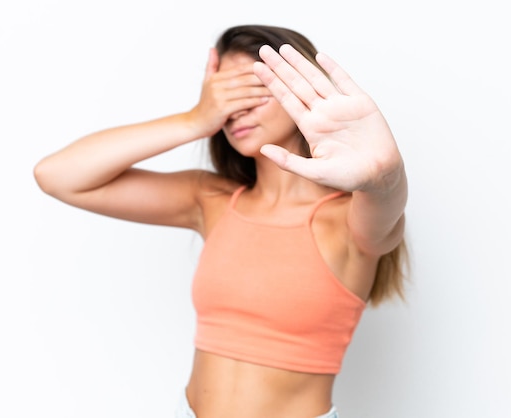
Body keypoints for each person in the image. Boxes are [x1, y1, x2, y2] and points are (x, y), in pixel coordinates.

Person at [34, 24, 408, 418]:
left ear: (303, 91)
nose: (236, 109)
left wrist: (385, 175)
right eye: (225, 94)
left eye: (252, 89)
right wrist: (195, 119)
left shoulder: (347, 220)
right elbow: (58, 176)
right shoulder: (211, 200)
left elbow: (386, 203)